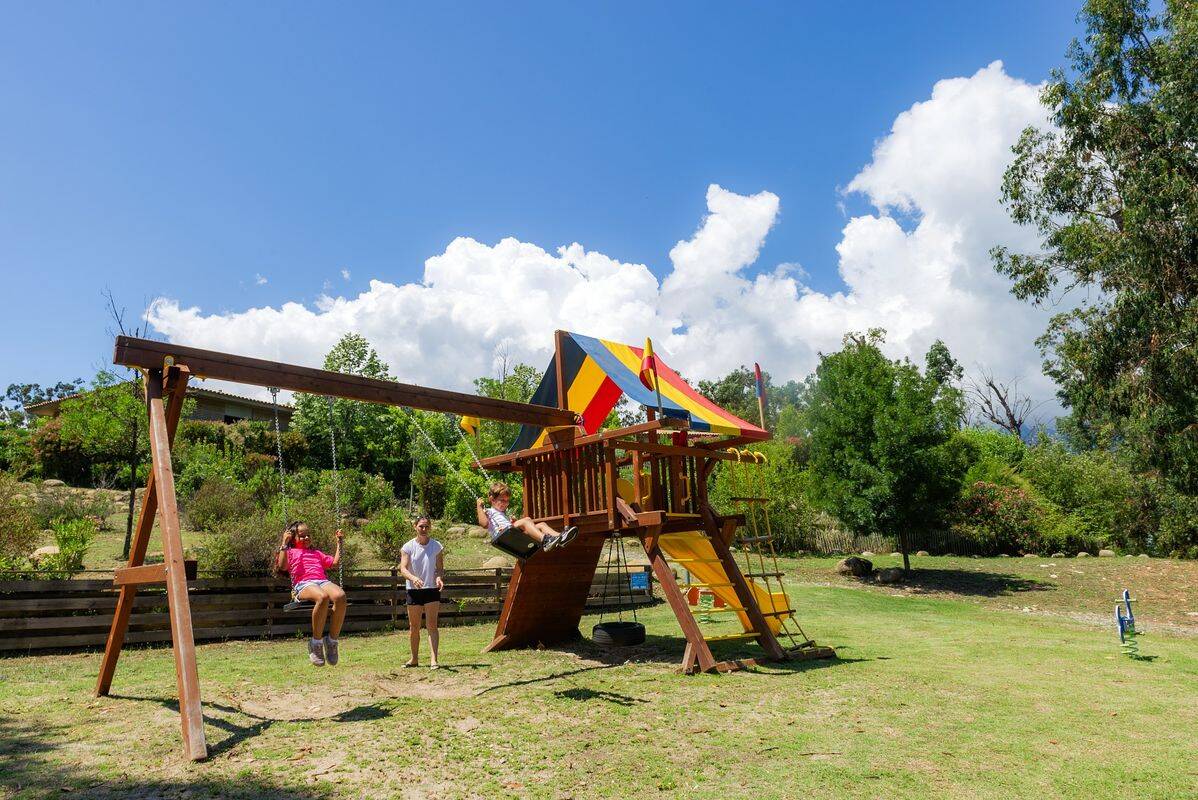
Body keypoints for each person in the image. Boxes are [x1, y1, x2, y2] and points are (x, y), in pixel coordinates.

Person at [274, 521, 346, 667]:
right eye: (302, 536)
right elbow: (282, 566)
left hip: (321, 581)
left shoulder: (316, 553)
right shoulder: (289, 552)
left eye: (308, 535)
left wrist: (339, 543)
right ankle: (316, 643)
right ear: (293, 538)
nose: (306, 538)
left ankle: (332, 641)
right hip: (303, 584)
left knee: (340, 596)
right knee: (322, 597)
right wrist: (284, 543)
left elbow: (335, 563)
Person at [476, 481, 578, 552]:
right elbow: (484, 524)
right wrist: (479, 507)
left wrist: (513, 522)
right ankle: (546, 541)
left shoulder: (503, 514)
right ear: (492, 500)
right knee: (526, 521)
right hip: (503, 536)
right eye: (502, 500)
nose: (505, 504)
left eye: (507, 501)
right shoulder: (489, 511)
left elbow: (509, 524)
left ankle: (560, 538)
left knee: (541, 524)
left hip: (511, 533)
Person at [398, 516, 444, 669]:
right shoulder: (408, 547)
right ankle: (414, 659)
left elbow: (439, 568)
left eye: (426, 526)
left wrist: (438, 578)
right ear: (415, 527)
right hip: (414, 590)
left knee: (432, 625)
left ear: (430, 527)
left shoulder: (436, 546)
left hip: (431, 589)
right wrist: (413, 578)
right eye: (421, 526)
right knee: (414, 626)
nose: (424, 529)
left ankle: (434, 660)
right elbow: (403, 568)